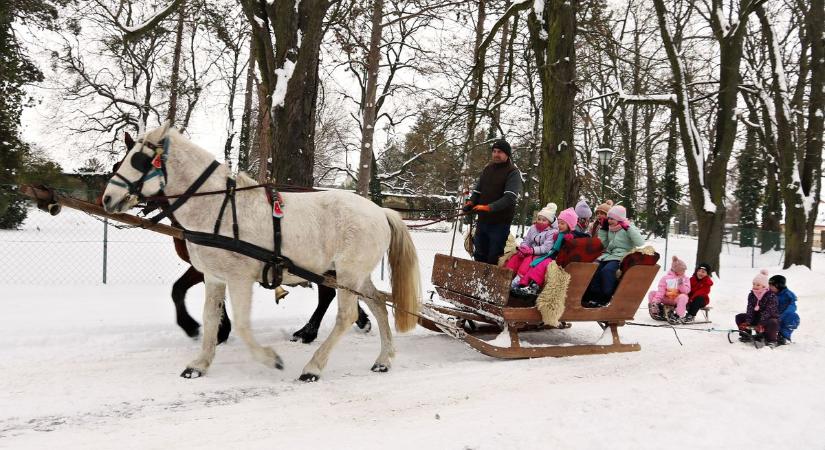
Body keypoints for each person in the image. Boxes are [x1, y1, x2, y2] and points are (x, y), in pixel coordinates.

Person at [463, 139, 523, 264]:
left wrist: (489, 207)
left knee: (494, 256)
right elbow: (477, 191)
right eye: (494, 151)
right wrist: (471, 202)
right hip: (483, 221)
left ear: (507, 154)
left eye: (499, 152)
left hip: (500, 223)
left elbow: (510, 197)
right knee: (479, 254)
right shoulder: (487, 169)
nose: (496, 154)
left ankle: (491, 277)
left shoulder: (513, 172)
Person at [584, 204, 645, 307]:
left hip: (621, 256)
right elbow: (603, 244)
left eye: (612, 219)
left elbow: (640, 242)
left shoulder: (628, 227)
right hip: (608, 255)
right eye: (609, 218)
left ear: (620, 219)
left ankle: (605, 297)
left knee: (607, 270)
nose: (609, 221)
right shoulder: (611, 228)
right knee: (594, 268)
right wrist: (603, 230)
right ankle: (593, 296)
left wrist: (628, 228)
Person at [512, 207, 578, 296]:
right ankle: (523, 284)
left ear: (570, 225)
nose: (559, 225)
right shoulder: (559, 234)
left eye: (562, 223)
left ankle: (534, 286)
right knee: (534, 264)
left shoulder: (569, 236)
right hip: (549, 255)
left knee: (542, 265)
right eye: (559, 223)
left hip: (556, 258)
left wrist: (566, 241)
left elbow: (561, 250)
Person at [505, 203, 558, 293]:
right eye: (539, 219)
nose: (540, 221)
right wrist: (523, 248)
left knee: (528, 260)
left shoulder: (552, 232)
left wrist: (532, 250)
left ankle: (518, 281)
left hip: (541, 254)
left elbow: (546, 247)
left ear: (549, 222)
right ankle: (505, 275)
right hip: (529, 251)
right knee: (516, 257)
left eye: (544, 220)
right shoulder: (533, 228)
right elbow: (526, 240)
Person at [735, 269, 780, 348]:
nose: (755, 286)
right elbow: (750, 309)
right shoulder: (752, 295)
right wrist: (748, 322)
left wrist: (761, 323)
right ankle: (746, 335)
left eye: (758, 285)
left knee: (773, 322)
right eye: (753, 284)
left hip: (768, 319)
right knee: (740, 317)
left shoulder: (771, 296)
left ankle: (771, 341)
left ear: (764, 286)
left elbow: (768, 311)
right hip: (756, 317)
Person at [647, 256, 691, 323]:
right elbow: (661, 291)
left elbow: (686, 291)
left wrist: (681, 284)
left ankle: (678, 315)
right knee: (652, 293)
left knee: (684, 297)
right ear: (676, 270)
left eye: (684, 270)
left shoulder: (685, 279)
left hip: (676, 300)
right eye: (682, 270)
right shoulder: (665, 278)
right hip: (666, 298)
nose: (684, 271)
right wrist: (655, 301)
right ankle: (657, 310)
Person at [769, 275, 800, 345]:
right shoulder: (769, 293)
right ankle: (765, 334)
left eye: (772, 286)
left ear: (779, 286)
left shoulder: (788, 294)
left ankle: (784, 336)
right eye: (769, 285)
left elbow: (792, 307)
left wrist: (781, 317)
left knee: (793, 316)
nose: (769, 287)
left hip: (782, 317)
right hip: (771, 317)